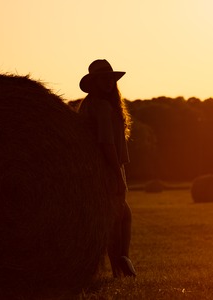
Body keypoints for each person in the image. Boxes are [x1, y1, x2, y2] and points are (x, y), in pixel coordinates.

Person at [77, 59, 136, 277]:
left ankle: (121, 262)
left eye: (111, 78)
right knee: (118, 216)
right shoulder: (101, 107)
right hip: (108, 167)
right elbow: (107, 142)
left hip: (102, 167)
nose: (109, 82)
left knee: (121, 215)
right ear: (94, 82)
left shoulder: (94, 104)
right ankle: (120, 266)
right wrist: (117, 175)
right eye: (104, 78)